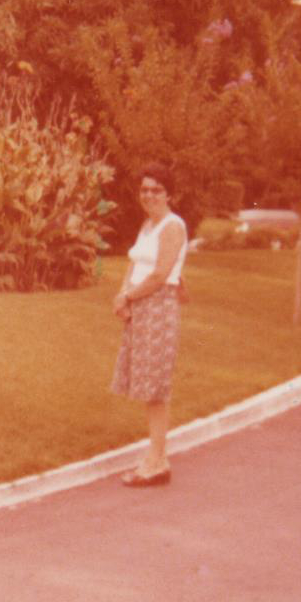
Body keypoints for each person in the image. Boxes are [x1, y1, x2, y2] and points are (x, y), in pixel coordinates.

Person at [111, 162, 188, 487]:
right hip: (140, 306)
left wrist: (128, 296)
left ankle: (156, 462)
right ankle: (158, 458)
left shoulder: (173, 226)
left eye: (157, 190)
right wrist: (123, 295)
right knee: (147, 388)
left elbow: (159, 274)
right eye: (144, 190)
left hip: (158, 307)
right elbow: (134, 264)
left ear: (169, 194)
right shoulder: (148, 225)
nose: (149, 195)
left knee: (155, 389)